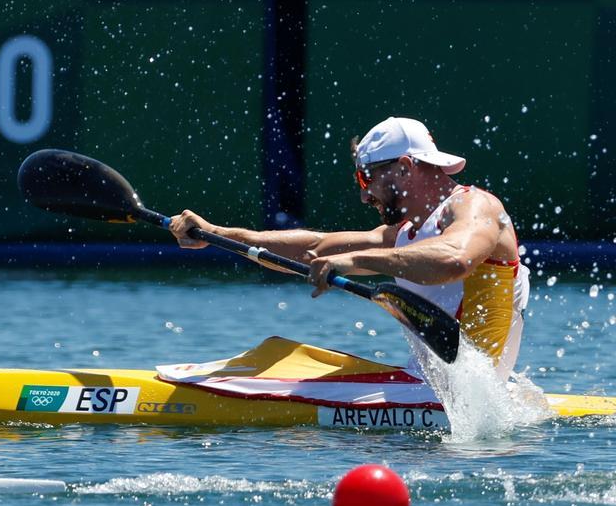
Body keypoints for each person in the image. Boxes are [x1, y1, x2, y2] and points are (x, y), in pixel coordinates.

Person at [169, 116, 529, 379]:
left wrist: (354, 260)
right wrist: (215, 233)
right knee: (285, 355)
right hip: (430, 389)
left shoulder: (476, 206)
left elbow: (454, 259)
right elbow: (314, 247)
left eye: (367, 177)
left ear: (405, 167)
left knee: (282, 370)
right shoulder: (404, 234)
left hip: (459, 397)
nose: (364, 195)